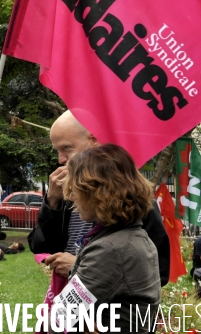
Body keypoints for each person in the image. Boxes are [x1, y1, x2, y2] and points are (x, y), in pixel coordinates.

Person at [28, 110, 170, 285]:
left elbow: (158, 272)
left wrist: (78, 267)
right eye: (57, 150)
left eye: (66, 148)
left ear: (93, 140)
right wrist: (52, 202)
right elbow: (40, 247)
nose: (60, 159)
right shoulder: (65, 193)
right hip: (73, 304)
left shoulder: (131, 198)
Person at [50, 143, 161, 333]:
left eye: (75, 188)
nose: (71, 196)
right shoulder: (134, 236)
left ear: (98, 192)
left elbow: (60, 319)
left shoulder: (111, 249)